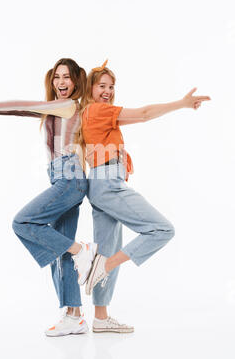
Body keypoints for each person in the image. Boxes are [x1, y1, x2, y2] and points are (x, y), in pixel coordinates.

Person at [0, 58, 98, 337]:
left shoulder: (68, 105)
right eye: (57, 77)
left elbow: (20, 103)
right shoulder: (57, 108)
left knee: (23, 223)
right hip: (63, 179)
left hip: (69, 179)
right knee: (61, 248)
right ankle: (75, 316)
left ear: (76, 82)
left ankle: (83, 251)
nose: (61, 82)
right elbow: (18, 112)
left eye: (67, 77)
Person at [78, 60, 211, 333]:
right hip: (107, 184)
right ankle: (106, 264)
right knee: (162, 229)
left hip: (100, 185)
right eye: (102, 85)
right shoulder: (98, 110)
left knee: (107, 245)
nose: (108, 91)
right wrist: (181, 103)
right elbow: (144, 113)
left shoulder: (88, 114)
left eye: (112, 86)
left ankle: (101, 318)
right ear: (90, 88)